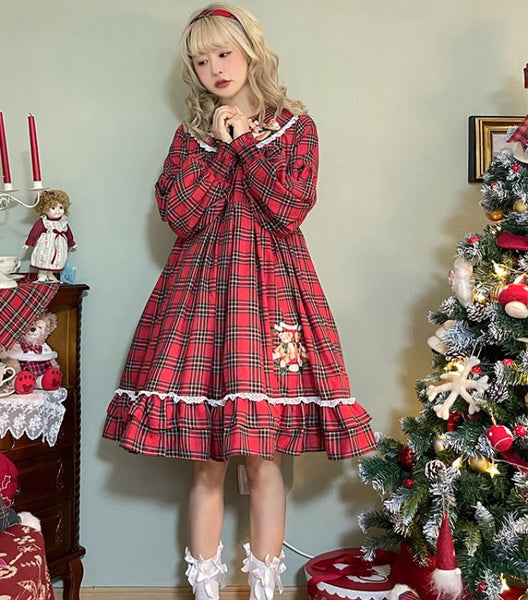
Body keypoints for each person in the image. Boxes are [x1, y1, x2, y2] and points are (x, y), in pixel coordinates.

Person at [103, 4, 376, 599]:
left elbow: (288, 209)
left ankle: (263, 591)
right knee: (206, 459)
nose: (215, 69)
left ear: (250, 51)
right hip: (201, 301)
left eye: (223, 53)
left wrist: (246, 143)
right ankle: (205, 591)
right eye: (201, 61)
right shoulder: (191, 138)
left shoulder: (295, 127)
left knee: (265, 457)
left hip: (274, 299)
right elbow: (180, 215)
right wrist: (222, 147)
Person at [24, 189, 76, 282]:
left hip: (59, 244)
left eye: (61, 207)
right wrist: (29, 242)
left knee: (57, 259)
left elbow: (68, 232)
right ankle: (42, 274)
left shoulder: (63, 221)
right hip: (47, 243)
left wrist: (71, 242)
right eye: (53, 208)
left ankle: (50, 274)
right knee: (44, 257)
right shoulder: (44, 221)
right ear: (44, 209)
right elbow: (35, 231)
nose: (58, 211)